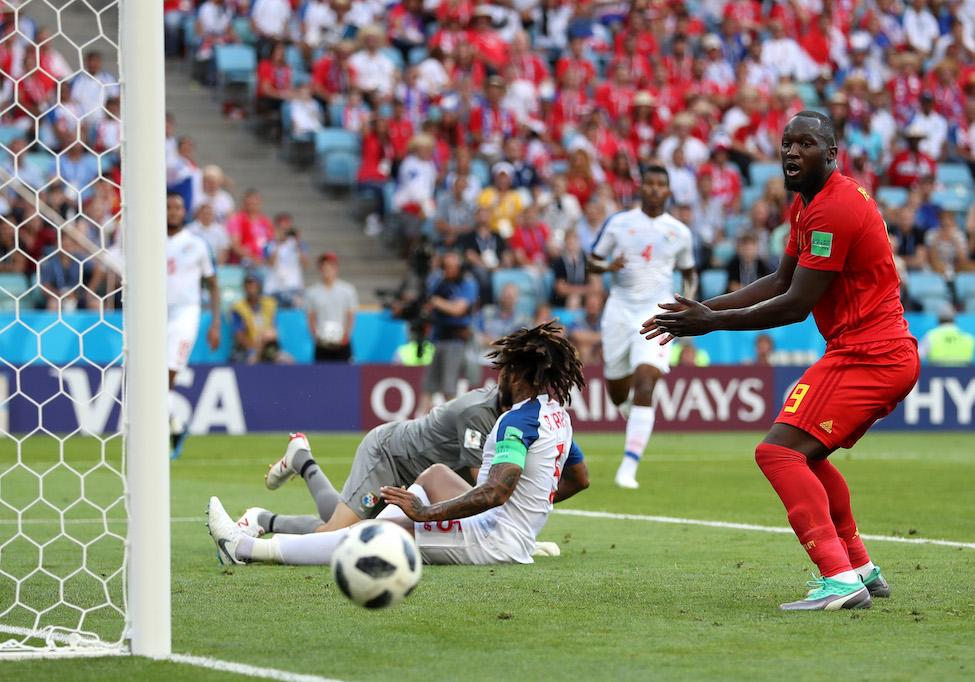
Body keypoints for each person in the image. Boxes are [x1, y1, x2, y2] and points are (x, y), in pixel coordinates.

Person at [643, 111, 920, 611]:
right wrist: (707, 307)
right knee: (805, 455)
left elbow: (794, 306)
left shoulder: (834, 209)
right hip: (869, 351)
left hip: (871, 354)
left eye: (806, 144)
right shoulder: (809, 204)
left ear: (831, 154)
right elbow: (777, 281)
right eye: (787, 143)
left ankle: (838, 579)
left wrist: (712, 324)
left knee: (777, 453)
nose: (792, 152)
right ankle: (857, 566)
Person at [207, 322, 589, 566]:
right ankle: (305, 469)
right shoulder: (558, 415)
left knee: (359, 536)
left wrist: (423, 514)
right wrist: (529, 513)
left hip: (492, 537)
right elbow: (578, 479)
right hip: (391, 456)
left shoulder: (514, 420)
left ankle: (243, 546)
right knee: (435, 476)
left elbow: (493, 492)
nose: (498, 373)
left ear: (517, 373)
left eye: (504, 367)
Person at [586, 165, 697, 489]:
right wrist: (608, 266)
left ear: (668, 191)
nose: (654, 189)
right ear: (641, 188)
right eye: (649, 183)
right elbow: (592, 260)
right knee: (618, 394)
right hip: (619, 312)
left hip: (657, 311)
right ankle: (630, 410)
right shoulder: (620, 223)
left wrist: (686, 303)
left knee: (646, 384)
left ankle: (628, 467)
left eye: (660, 184)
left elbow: (690, 272)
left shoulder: (679, 231)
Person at [166, 192, 221, 459]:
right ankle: (176, 424)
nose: (173, 211)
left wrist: (216, 324)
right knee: (154, 379)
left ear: (184, 211)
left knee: (167, 373)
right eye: (168, 207)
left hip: (186, 315)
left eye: (177, 207)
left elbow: (213, 284)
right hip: (154, 316)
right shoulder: (151, 241)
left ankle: (173, 425)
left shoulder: (197, 244)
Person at [418, 250, 479, 414]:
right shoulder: (438, 282)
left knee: (450, 384)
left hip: (456, 339)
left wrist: (436, 302)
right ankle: (418, 422)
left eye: (451, 267)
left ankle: (452, 422)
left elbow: (459, 309)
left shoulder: (467, 283)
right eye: (445, 267)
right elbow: (426, 303)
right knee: (429, 384)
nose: (448, 270)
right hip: (439, 337)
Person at [306, 251, 358, 362]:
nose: (327, 270)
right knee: (321, 376)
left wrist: (346, 336)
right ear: (319, 270)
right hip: (322, 343)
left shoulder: (347, 290)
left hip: (342, 342)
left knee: (345, 375)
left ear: (336, 268)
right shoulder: (312, 292)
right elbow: (311, 317)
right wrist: (316, 337)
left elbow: (350, 316)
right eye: (324, 267)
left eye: (330, 267)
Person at [229, 273, 293, 365]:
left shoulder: (269, 304)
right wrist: (256, 349)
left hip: (268, 347)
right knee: (250, 361)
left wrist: (267, 342)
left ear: (259, 286)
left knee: (287, 360)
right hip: (249, 349)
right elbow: (240, 336)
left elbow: (273, 330)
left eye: (254, 284)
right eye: (248, 284)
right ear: (244, 287)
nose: (251, 288)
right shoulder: (238, 308)